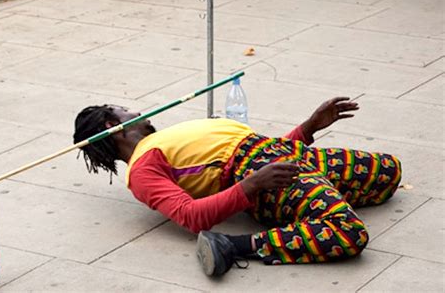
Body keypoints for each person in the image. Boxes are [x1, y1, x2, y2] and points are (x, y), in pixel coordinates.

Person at [73, 97, 401, 277]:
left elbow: (260, 149)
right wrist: (251, 186)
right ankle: (235, 246)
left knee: (389, 173)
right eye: (126, 109)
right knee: (347, 233)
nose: (138, 111)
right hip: (262, 178)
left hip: (283, 157)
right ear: (113, 126)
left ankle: (312, 206)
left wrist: (308, 127)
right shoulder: (143, 169)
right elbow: (190, 216)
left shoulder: (164, 138)